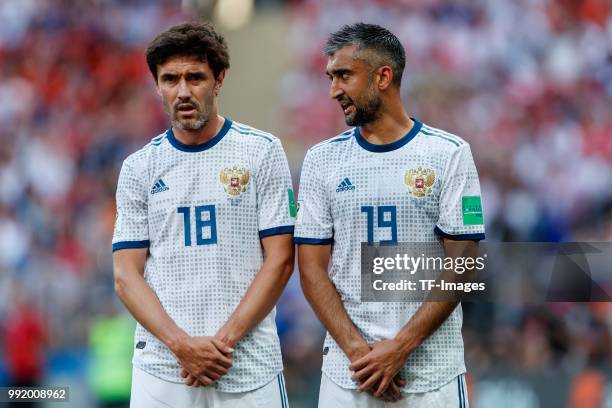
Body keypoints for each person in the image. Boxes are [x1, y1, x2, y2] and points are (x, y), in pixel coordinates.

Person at [295, 23, 485, 407]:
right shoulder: (321, 161)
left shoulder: (449, 154)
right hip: (350, 375)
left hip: (432, 376)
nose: (334, 91)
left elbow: (464, 264)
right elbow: (311, 268)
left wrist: (400, 347)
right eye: (331, 78)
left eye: (344, 76)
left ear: (383, 76)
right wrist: (360, 354)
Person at [112, 22, 294, 407]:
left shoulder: (261, 152)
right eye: (170, 79)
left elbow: (280, 260)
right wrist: (182, 345)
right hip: (163, 369)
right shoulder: (139, 168)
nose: (182, 91)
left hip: (248, 365)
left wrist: (220, 344)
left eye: (195, 77)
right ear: (157, 85)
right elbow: (126, 274)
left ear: (219, 80)